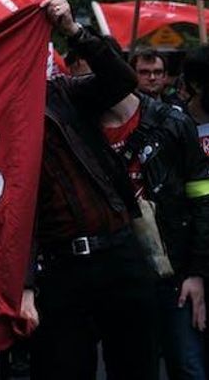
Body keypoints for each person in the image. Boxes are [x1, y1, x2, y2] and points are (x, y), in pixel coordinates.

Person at [24, 0, 160, 380]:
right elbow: (13, 213)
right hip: (60, 269)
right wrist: (25, 287)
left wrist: (74, 31)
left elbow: (122, 81)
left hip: (118, 251)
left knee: (135, 366)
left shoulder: (66, 93)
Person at [99, 87, 209, 379]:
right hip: (116, 275)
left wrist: (196, 273)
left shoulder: (172, 122)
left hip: (174, 274)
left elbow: (200, 198)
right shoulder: (81, 126)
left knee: (186, 364)